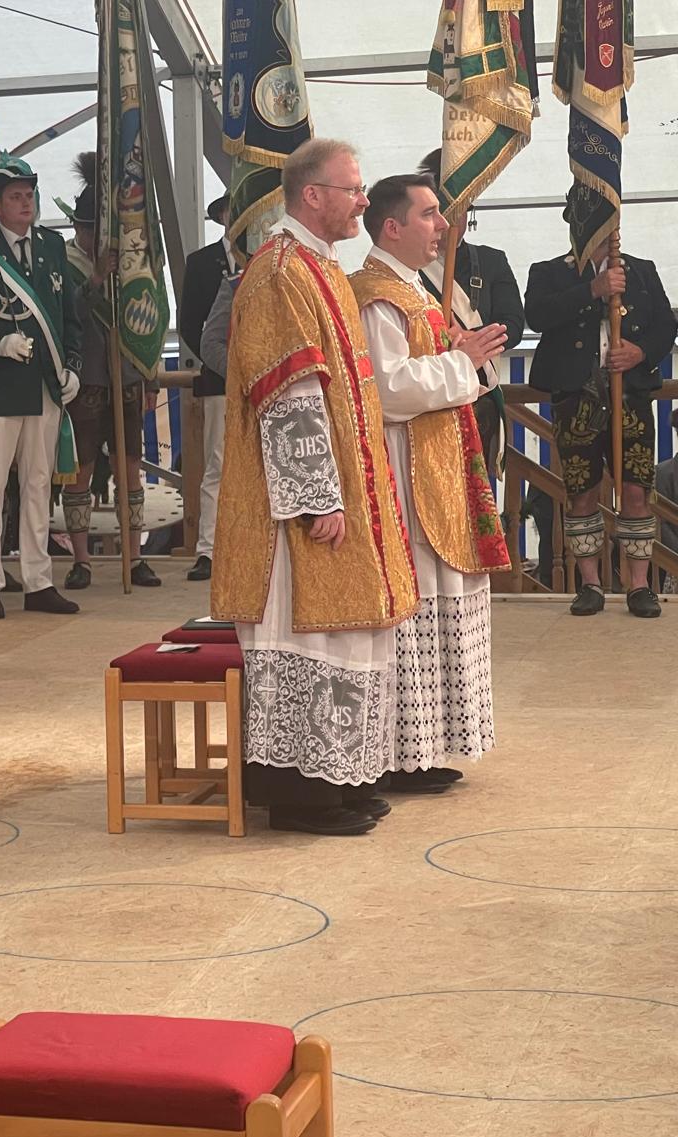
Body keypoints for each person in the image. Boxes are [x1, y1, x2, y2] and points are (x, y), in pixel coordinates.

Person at [211, 138, 419, 837]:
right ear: (312, 195)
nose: (363, 200)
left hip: (349, 485)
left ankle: (342, 777)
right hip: (295, 508)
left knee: (347, 635)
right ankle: (300, 796)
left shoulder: (320, 265)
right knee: (305, 634)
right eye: (352, 189)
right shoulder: (279, 272)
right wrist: (315, 497)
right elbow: (288, 392)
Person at [350, 175, 510, 798]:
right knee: (415, 606)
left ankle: (426, 746)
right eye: (430, 214)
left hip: (436, 464)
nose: (444, 225)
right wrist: (460, 361)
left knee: (446, 600)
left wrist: (459, 354)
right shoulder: (375, 296)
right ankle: (399, 752)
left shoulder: (415, 289)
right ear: (392, 227)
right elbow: (387, 390)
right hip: (403, 473)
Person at [524, 187, 677, 618]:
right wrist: (591, 289)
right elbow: (536, 316)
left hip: (630, 397)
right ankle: (589, 583)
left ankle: (639, 586)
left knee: (636, 491)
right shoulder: (548, 272)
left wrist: (640, 352)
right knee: (582, 492)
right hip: (577, 399)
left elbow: (666, 326)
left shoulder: (641, 271)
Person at [0, 155, 83, 619]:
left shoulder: (52, 247)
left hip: (44, 386)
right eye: (16, 197)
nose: (26, 203)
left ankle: (38, 581)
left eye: (29, 195)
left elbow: (69, 319)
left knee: (38, 485)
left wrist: (73, 368)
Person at [59, 153, 160, 590]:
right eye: (86, 229)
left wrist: (151, 375)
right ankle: (81, 559)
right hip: (86, 377)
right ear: (77, 228)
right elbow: (68, 314)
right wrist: (97, 280)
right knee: (79, 470)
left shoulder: (130, 261)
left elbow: (148, 315)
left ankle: (134, 556)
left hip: (127, 373)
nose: (92, 237)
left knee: (130, 467)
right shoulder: (63, 262)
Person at [416, 150, 526, 476]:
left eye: (459, 210)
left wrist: (470, 340)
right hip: (428, 395)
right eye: (440, 210)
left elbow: (513, 325)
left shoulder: (492, 261)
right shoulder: (409, 268)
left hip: (479, 394)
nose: (451, 219)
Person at [177, 193, 237, 582]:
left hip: (267, 383)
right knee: (217, 464)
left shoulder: (266, 256)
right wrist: (223, 364)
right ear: (221, 216)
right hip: (219, 380)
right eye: (232, 209)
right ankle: (208, 550)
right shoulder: (201, 262)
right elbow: (189, 325)